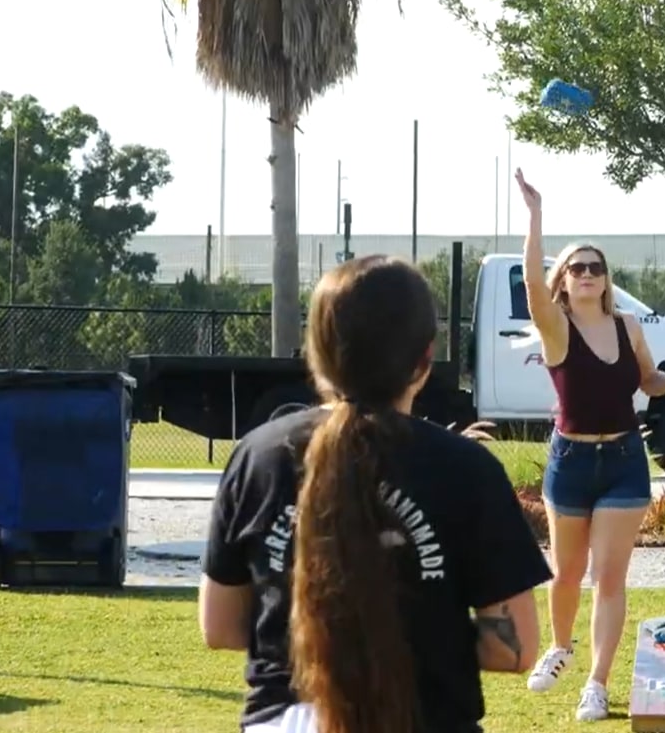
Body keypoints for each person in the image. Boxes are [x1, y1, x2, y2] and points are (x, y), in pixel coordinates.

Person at [198, 255, 553, 733]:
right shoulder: (467, 469)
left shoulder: (257, 457)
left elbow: (219, 626)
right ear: (425, 360)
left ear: (317, 354)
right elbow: (513, 649)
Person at [514, 169, 665, 722]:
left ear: (606, 277)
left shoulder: (628, 326)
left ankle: (596, 682)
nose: (589, 274)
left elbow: (647, 382)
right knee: (567, 573)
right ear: (564, 280)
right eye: (578, 267)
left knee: (609, 578)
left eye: (596, 267)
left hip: (623, 461)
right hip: (570, 461)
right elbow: (529, 284)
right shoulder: (556, 327)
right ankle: (560, 648)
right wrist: (536, 216)